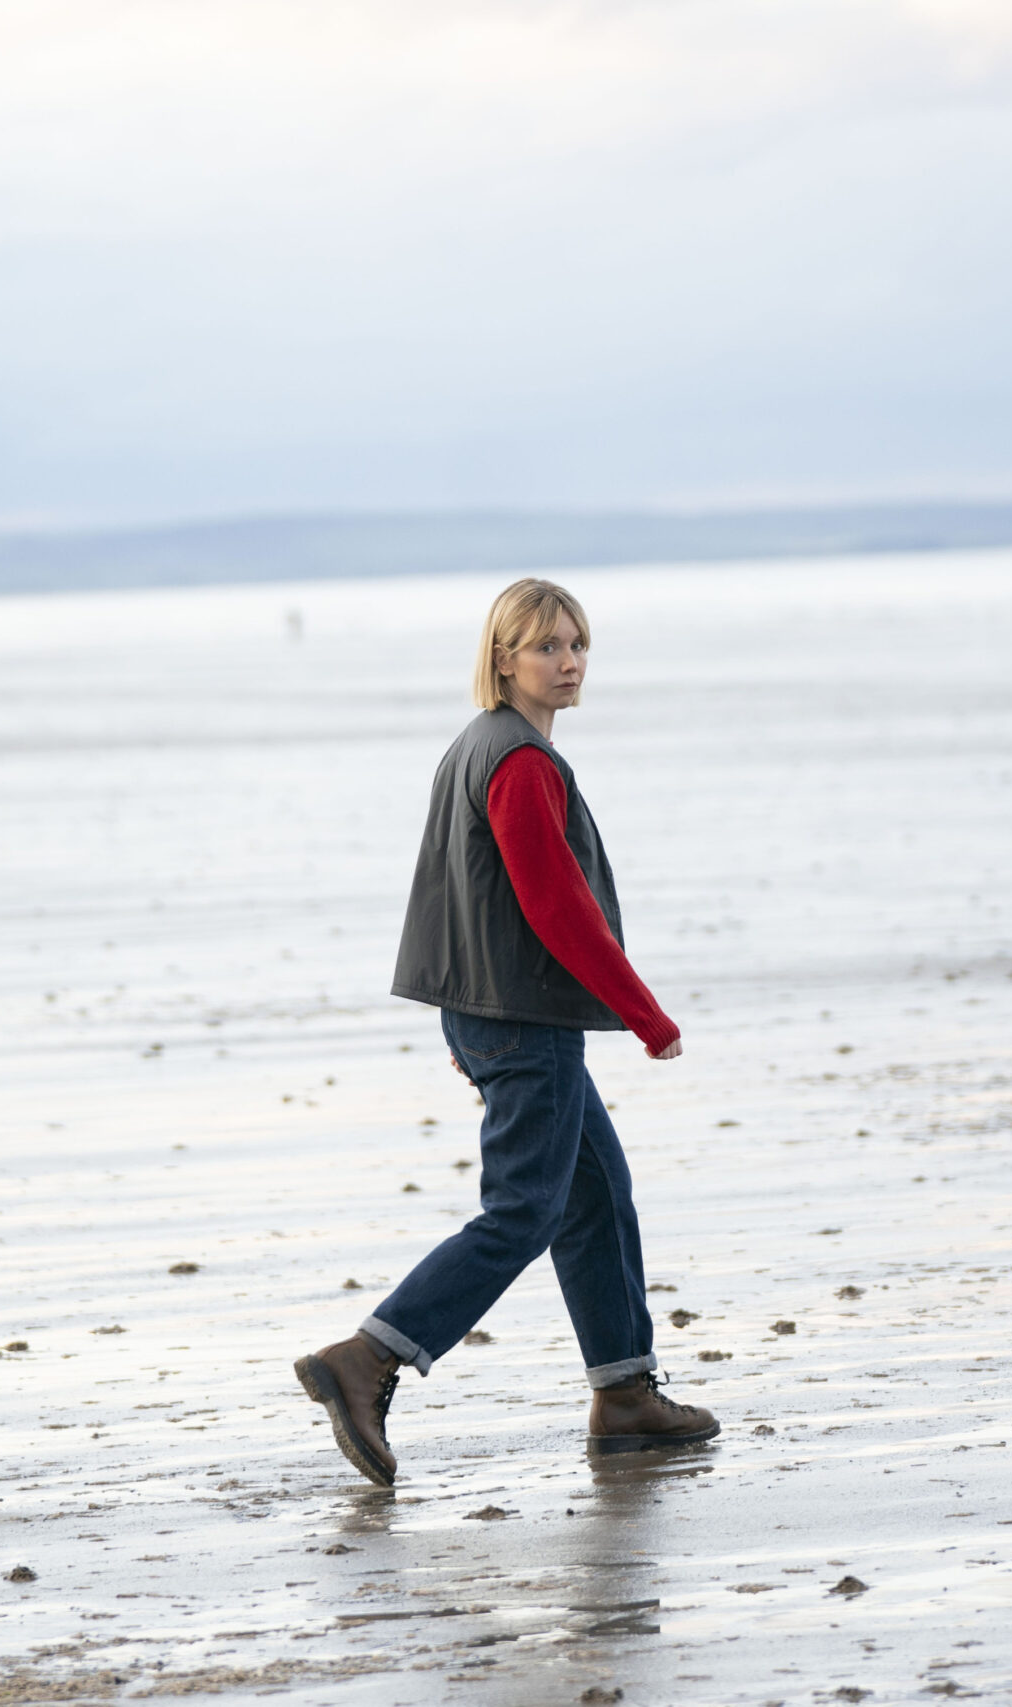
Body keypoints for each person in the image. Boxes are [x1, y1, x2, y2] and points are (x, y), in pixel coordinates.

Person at [294, 577, 718, 1486]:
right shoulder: (518, 760)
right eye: (546, 647)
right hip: (525, 1020)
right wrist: (645, 1013)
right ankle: (367, 1358)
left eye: (577, 646)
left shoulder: (479, 747)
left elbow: (461, 899)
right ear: (502, 657)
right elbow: (555, 907)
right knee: (523, 1210)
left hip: (495, 1012)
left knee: (595, 1192)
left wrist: (463, 1012)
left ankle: (626, 1393)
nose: (567, 663)